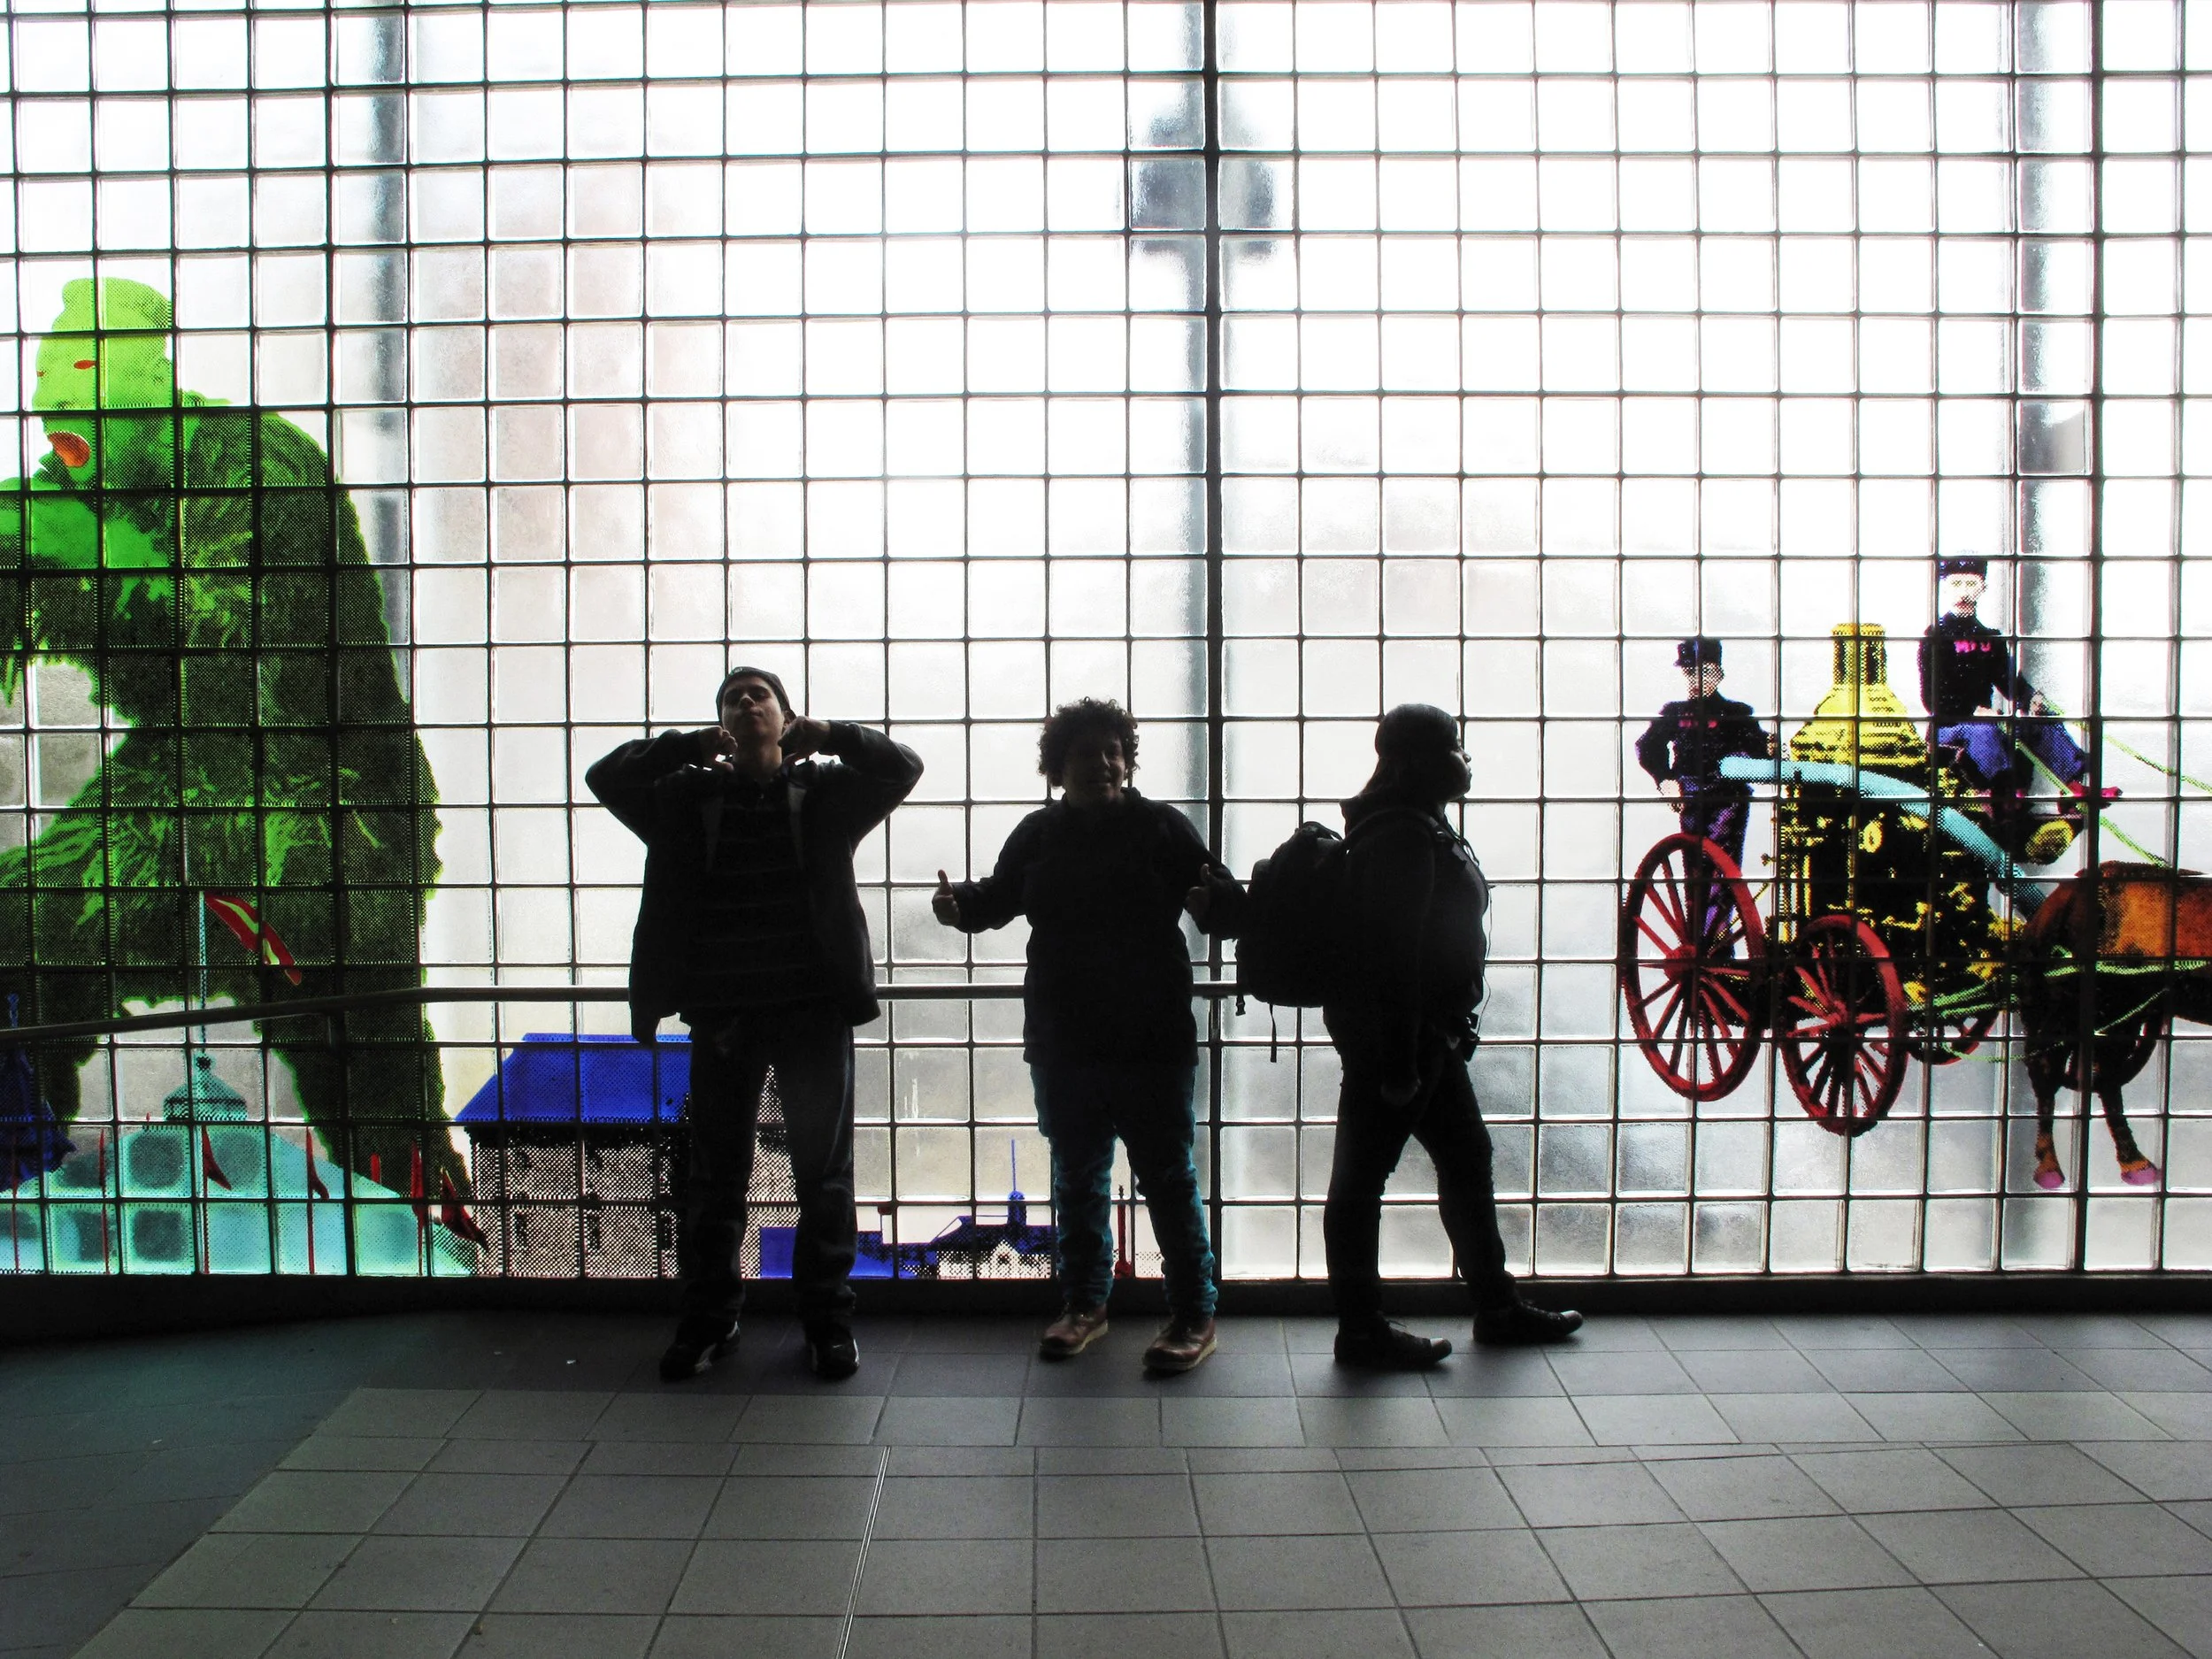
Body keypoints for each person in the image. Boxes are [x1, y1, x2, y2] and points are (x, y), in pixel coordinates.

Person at [587, 667, 921, 1383]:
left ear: (786, 717)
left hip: (810, 1011)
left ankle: (827, 1323)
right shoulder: (687, 798)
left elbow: (902, 766)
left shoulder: (824, 794)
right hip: (724, 1015)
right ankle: (712, 1318)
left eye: (758, 694)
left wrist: (832, 735)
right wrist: (681, 747)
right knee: (715, 1177)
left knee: (821, 1179)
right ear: (722, 726)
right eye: (732, 697)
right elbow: (606, 776)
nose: (745, 702)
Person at [933, 698, 1234, 1374]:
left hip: (1149, 1037)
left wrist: (1222, 904)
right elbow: (998, 899)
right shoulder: (1038, 834)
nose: (1101, 764)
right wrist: (959, 909)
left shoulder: (1161, 828)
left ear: (1127, 759)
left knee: (1166, 1177)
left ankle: (1192, 1312)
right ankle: (1086, 1305)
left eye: (1111, 751)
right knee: (1078, 1177)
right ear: (1058, 767)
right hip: (1065, 1036)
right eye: (1084, 754)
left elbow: (1221, 900)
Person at [1325, 704, 1581, 1368]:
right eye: (1453, 747)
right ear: (1412, 760)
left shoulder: (1406, 827)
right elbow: (1396, 955)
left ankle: (1494, 1306)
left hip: (1422, 1039)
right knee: (1363, 1181)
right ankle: (1364, 1330)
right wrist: (1403, 1059)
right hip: (1405, 1043)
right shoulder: (1403, 838)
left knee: (1463, 1160)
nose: (1464, 761)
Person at [1918, 556, 2114, 823]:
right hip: (1949, 727)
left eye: (1970, 583)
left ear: (1982, 587)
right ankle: (2000, 795)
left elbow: (2011, 684)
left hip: (1987, 720)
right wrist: (1973, 711)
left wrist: (2031, 699)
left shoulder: (1991, 638)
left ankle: (2073, 785)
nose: (1964, 591)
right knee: (1985, 730)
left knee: (2039, 722)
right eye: (1957, 584)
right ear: (1946, 588)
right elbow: (1931, 700)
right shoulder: (1934, 636)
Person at [1632, 636, 1774, 872]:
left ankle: (1714, 908)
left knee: (1722, 869)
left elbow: (1757, 747)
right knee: (1695, 867)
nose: (1697, 679)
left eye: (1706, 672)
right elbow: (1647, 746)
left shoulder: (1737, 713)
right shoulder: (1673, 713)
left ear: (1719, 674)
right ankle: (1697, 907)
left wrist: (1771, 748)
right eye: (1691, 672)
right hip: (1691, 795)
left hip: (1728, 799)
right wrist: (1665, 780)